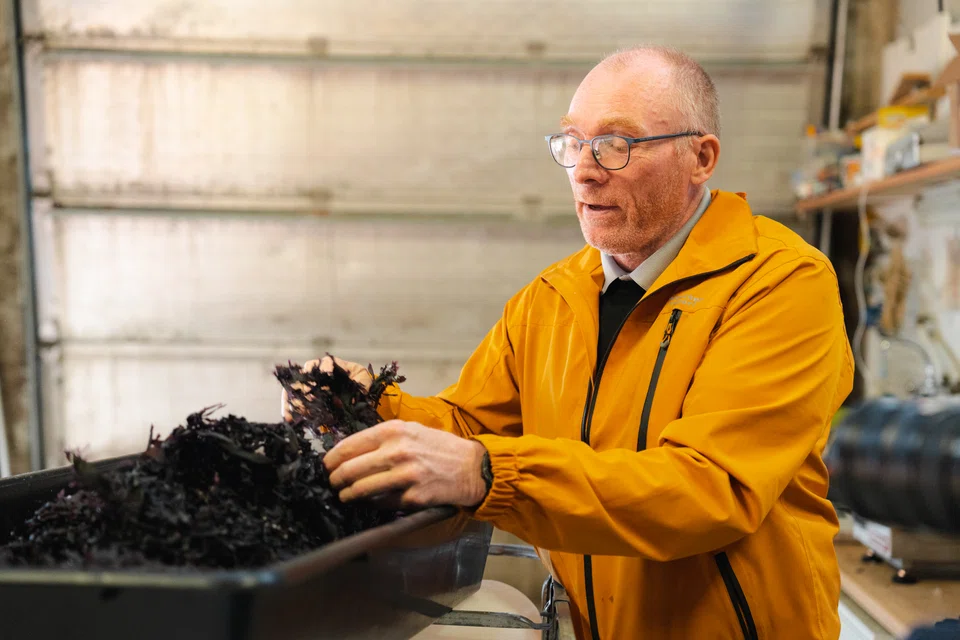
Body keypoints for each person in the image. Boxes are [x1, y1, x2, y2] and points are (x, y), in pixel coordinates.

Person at [284, 46, 854, 639]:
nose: (584, 169)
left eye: (617, 144)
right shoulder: (551, 298)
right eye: (572, 143)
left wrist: (488, 473)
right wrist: (366, 406)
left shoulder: (780, 282)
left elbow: (711, 490)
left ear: (700, 157)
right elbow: (468, 424)